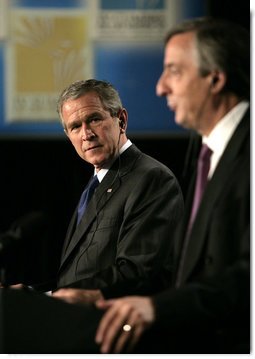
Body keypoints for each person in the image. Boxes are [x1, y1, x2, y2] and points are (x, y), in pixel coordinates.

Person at [54, 17, 249, 354]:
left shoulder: (153, 177)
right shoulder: (208, 154)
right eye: (74, 126)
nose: (160, 87)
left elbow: (240, 274)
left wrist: (157, 307)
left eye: (174, 71)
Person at [50, 79, 184, 302]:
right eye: (75, 126)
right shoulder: (95, 185)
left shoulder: (151, 178)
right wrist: (32, 293)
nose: (86, 134)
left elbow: (138, 270)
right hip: (78, 326)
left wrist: (52, 297)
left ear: (121, 120)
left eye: (94, 119)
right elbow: (76, 276)